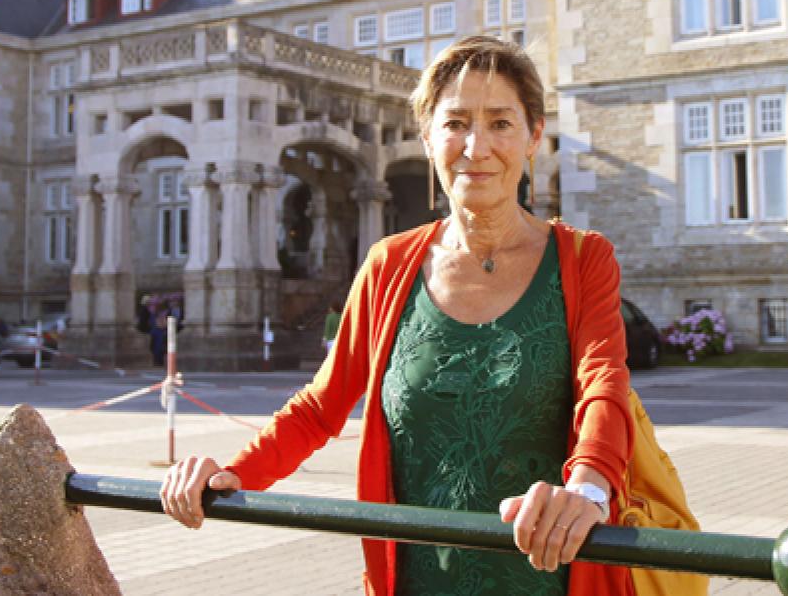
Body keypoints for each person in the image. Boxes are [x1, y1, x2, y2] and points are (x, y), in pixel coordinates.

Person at [162, 36, 638, 594]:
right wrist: (231, 473)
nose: (476, 146)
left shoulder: (584, 258)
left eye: (501, 123)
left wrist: (586, 489)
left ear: (535, 135)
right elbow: (320, 406)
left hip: (551, 580)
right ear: (429, 137)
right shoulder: (389, 264)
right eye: (456, 122)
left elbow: (604, 383)